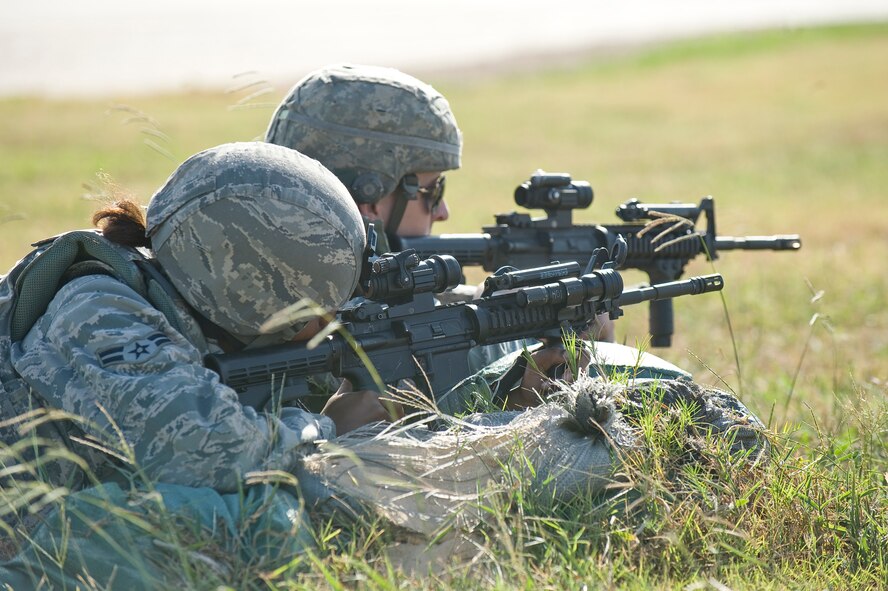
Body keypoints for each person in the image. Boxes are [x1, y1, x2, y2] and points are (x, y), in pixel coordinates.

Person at [0, 141, 380, 587]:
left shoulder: (176, 304)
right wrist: (330, 426)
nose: (329, 324)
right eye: (324, 309)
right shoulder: (98, 310)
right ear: (256, 297)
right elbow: (206, 450)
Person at [264, 64, 682, 415]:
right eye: (432, 193)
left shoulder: (261, 274)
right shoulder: (286, 329)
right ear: (369, 198)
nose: (443, 212)